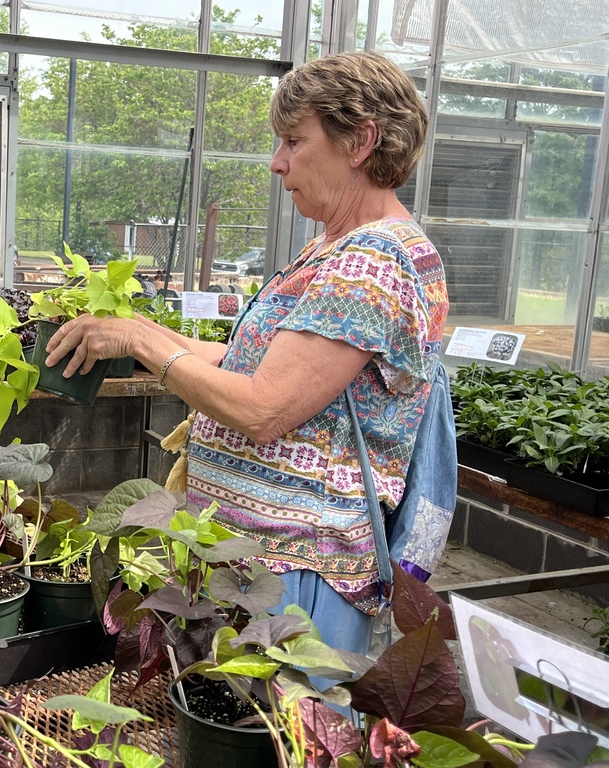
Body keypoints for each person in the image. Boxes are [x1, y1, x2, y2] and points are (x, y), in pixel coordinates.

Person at [42, 50, 449, 657]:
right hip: (254, 564)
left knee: (284, 738)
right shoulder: (339, 249)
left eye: (293, 140)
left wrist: (146, 342)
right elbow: (246, 363)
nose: (276, 162)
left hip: (297, 575)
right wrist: (131, 330)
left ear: (360, 140)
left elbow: (264, 407)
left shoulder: (373, 265)